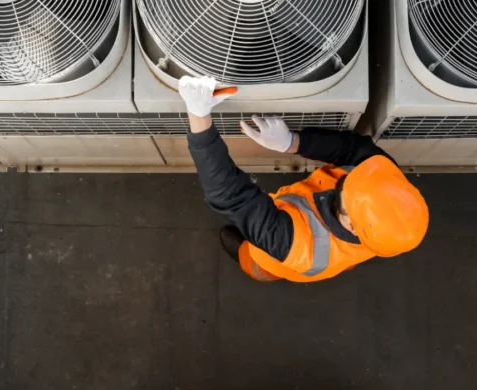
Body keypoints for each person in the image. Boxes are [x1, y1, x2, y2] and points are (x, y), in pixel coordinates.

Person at [179, 76, 429, 283]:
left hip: (274, 259)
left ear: (351, 225)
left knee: (257, 263)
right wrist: (293, 142)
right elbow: (352, 149)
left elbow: (230, 196)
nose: (347, 177)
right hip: (311, 238)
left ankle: (246, 257)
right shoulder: (383, 179)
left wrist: (198, 116)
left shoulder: (298, 246)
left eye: (348, 191)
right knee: (254, 229)